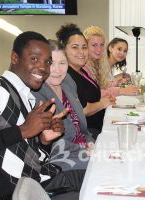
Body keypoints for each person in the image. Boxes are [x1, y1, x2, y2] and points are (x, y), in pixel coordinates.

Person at [0, 31, 85, 199]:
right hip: (27, 192)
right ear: (15, 58)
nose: (44, 68)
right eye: (34, 59)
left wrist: (45, 141)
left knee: (102, 176)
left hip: (43, 178)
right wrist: (22, 130)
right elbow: (19, 133)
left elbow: (31, 154)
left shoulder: (27, 97)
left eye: (47, 62)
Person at [32, 40, 95, 171]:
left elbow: (81, 128)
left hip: (85, 146)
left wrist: (91, 143)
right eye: (51, 63)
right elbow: (49, 143)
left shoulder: (68, 82)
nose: (57, 70)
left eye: (62, 63)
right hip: (61, 156)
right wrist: (85, 150)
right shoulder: (36, 93)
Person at [56, 23, 115, 138]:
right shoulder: (66, 75)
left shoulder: (81, 70)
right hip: (87, 133)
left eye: (84, 47)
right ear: (64, 49)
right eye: (75, 47)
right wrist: (103, 103)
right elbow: (82, 110)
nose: (81, 52)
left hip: (100, 125)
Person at [84, 27, 138, 96]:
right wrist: (121, 90)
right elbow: (93, 94)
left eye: (102, 45)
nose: (99, 49)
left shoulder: (97, 63)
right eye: (94, 45)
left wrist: (114, 83)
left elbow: (100, 86)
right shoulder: (84, 66)